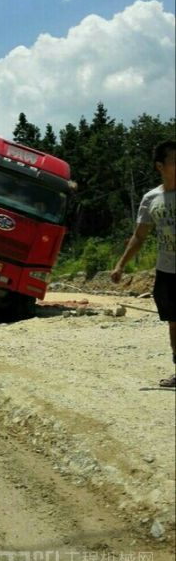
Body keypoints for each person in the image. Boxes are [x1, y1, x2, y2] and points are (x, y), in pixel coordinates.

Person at [111, 140, 176, 388]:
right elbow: (139, 236)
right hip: (167, 271)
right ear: (160, 166)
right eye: (174, 161)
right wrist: (120, 265)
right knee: (173, 322)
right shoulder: (152, 199)